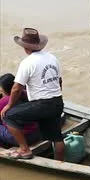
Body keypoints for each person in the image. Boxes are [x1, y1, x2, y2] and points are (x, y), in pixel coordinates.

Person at [0, 28, 65, 160]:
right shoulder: (52, 57)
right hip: (57, 101)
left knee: (9, 116)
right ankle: (60, 163)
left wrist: (9, 105)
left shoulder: (27, 62)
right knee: (57, 137)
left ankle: (24, 149)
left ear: (25, 48)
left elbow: (16, 89)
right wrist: (56, 95)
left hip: (41, 104)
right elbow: (59, 81)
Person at [0, 73, 41, 147]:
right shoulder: (25, 93)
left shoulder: (4, 101)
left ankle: (3, 146)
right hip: (37, 133)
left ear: (4, 89)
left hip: (24, 138)